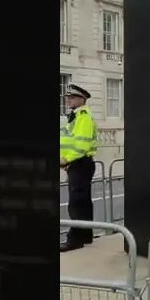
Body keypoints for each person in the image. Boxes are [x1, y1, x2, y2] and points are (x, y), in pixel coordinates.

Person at [59, 83, 98, 252]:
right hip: (78, 164)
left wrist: (65, 160)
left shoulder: (83, 116)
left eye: (72, 98)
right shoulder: (76, 116)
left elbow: (81, 145)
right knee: (83, 203)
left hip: (79, 164)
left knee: (76, 204)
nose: (68, 100)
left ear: (82, 100)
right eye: (68, 97)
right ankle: (85, 236)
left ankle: (74, 240)